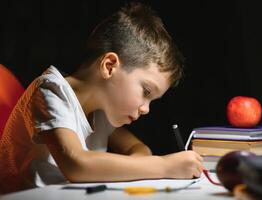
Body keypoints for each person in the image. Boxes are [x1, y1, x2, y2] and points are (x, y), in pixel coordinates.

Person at [0, 2, 204, 194]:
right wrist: (164, 166)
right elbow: (76, 164)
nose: (146, 109)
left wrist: (136, 165)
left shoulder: (101, 111)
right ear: (109, 66)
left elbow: (139, 149)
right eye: (146, 92)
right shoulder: (50, 91)